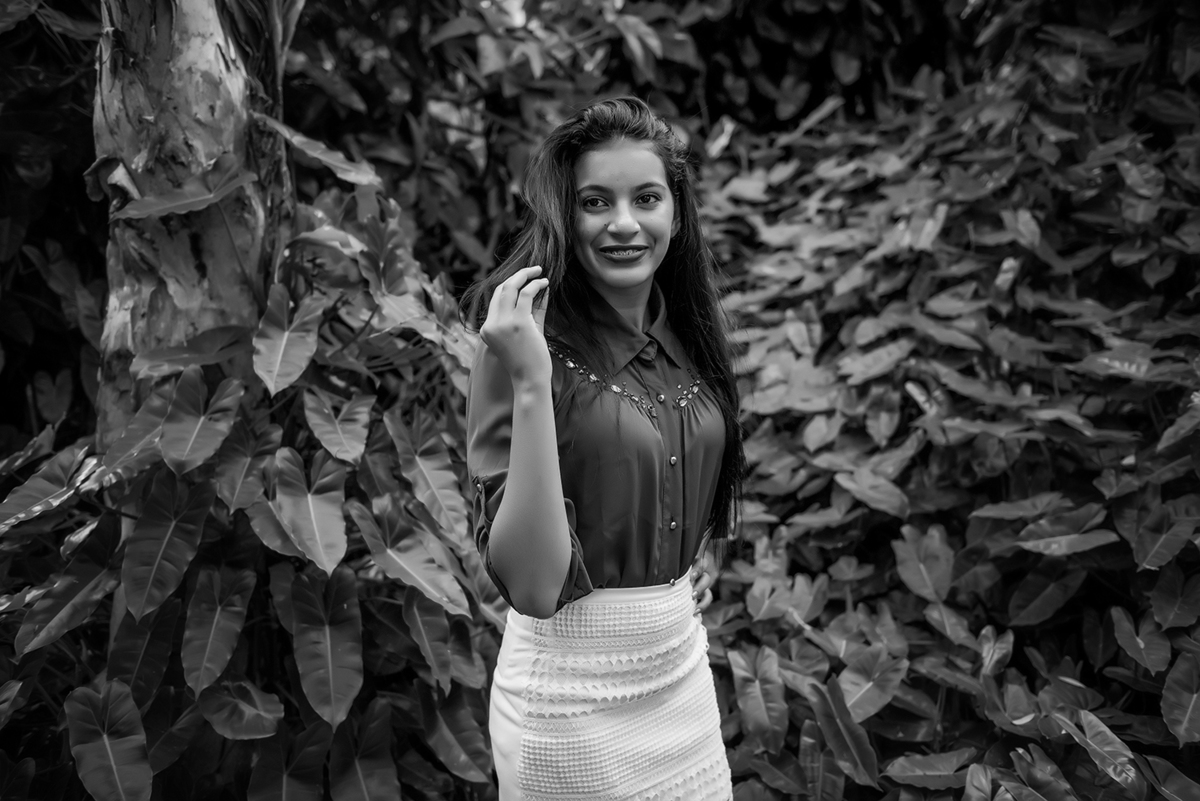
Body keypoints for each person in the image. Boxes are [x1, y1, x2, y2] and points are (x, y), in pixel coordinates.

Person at [462, 96, 744, 800]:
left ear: (676, 212)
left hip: (680, 675)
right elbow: (534, 588)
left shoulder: (689, 330)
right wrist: (532, 382)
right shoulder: (521, 344)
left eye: (646, 198)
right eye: (595, 202)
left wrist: (679, 568)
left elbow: (686, 479)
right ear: (566, 215)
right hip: (569, 700)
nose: (623, 223)